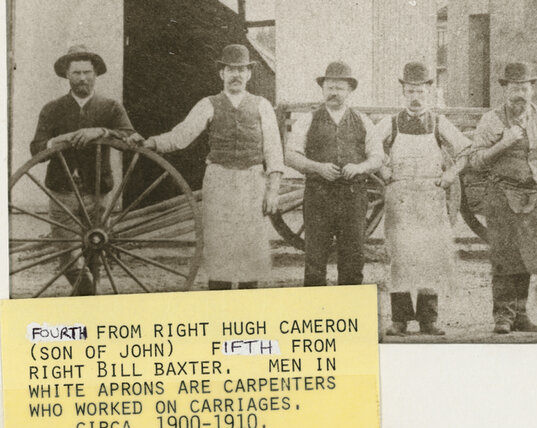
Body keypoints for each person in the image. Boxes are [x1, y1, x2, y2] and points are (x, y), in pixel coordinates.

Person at [143, 44, 283, 290]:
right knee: (220, 247)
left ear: (249, 74)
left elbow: (273, 150)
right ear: (222, 74)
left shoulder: (263, 106)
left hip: (252, 181)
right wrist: (153, 142)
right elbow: (181, 136)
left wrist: (273, 190)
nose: (236, 75)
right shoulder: (208, 104)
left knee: (250, 248)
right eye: (231, 69)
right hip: (219, 180)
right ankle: (219, 304)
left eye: (241, 70)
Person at [30, 45, 138, 295]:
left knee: (95, 251)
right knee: (68, 258)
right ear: (67, 75)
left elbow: (130, 137)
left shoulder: (110, 107)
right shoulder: (52, 109)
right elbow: (37, 149)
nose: (82, 78)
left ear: (96, 74)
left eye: (87, 72)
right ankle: (95, 300)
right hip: (62, 192)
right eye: (76, 72)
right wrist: (60, 139)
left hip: (97, 192)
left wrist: (101, 131)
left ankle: (88, 304)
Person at [374, 62, 471, 337]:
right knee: (401, 256)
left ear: (429, 92)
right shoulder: (391, 123)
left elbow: (466, 149)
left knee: (430, 256)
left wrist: (451, 174)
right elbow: (367, 146)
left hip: (430, 196)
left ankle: (429, 319)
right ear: (403, 93)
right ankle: (400, 320)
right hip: (400, 198)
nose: (415, 98)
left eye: (420, 92)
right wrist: (383, 169)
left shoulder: (440, 123)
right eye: (410, 92)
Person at [469, 62, 537, 335]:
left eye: (524, 88)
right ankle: (503, 315)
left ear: (532, 90)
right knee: (503, 255)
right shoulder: (491, 120)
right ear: (505, 90)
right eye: (514, 88)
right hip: (500, 195)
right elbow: (476, 160)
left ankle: (521, 314)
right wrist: (504, 142)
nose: (519, 94)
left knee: (527, 256)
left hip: (532, 196)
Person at [285, 61, 382, 287]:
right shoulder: (307, 120)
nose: (334, 93)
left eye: (339, 88)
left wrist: (360, 168)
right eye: (329, 87)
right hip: (318, 198)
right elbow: (290, 156)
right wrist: (317, 167)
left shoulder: (363, 121)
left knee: (353, 261)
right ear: (323, 89)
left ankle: (350, 314)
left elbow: (378, 156)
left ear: (349, 91)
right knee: (315, 262)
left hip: (353, 199)